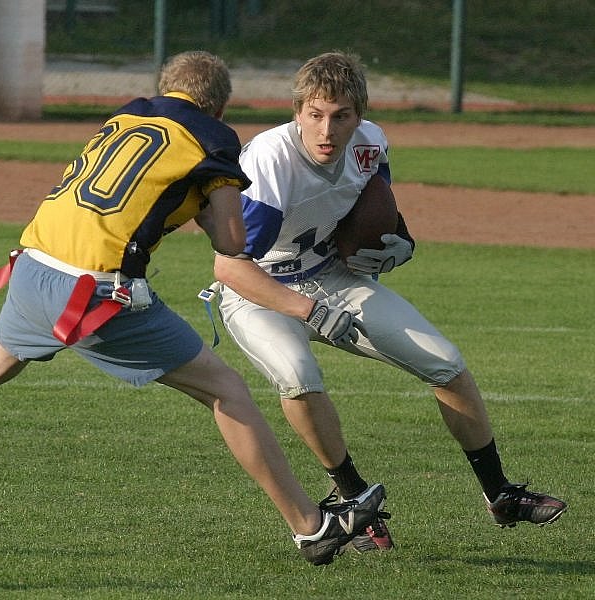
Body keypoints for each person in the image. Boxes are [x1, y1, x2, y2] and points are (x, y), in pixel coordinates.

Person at [0, 51, 386, 567]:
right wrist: (208, 207)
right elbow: (233, 242)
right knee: (227, 391)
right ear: (218, 105)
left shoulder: (126, 117)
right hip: (95, 292)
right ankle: (309, 526)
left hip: (33, 264)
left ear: (165, 89)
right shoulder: (213, 137)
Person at [212, 51, 566, 552]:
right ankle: (353, 499)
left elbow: (373, 211)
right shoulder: (271, 159)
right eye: (315, 114)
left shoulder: (370, 143)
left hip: (328, 275)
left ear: (360, 115)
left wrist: (402, 240)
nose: (327, 130)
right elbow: (230, 267)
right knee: (298, 376)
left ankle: (500, 494)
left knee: (446, 363)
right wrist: (308, 311)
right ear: (297, 112)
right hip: (259, 290)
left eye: (341, 116)